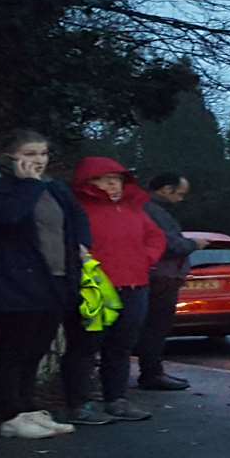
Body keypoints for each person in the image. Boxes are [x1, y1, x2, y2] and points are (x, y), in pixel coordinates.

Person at [0, 130, 86, 440]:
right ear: (10, 156)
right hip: (12, 281)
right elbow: (9, 218)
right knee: (12, 349)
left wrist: (82, 247)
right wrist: (28, 185)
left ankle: (29, 409)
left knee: (35, 349)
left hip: (53, 280)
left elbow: (75, 221)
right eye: (30, 154)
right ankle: (10, 414)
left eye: (43, 154)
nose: (38, 161)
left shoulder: (53, 188)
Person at [61, 157, 166, 425]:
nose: (114, 183)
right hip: (94, 287)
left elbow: (155, 237)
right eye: (106, 178)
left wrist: (146, 259)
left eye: (118, 178)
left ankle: (116, 399)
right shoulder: (77, 209)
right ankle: (78, 404)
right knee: (85, 346)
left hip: (134, 285)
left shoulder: (132, 209)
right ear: (89, 182)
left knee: (121, 346)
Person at [136, 173, 200, 391]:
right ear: (165, 189)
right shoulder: (153, 211)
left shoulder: (149, 209)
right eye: (179, 194)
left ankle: (153, 372)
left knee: (153, 328)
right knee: (156, 327)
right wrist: (193, 244)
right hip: (161, 276)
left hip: (159, 276)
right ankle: (152, 374)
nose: (181, 199)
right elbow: (167, 245)